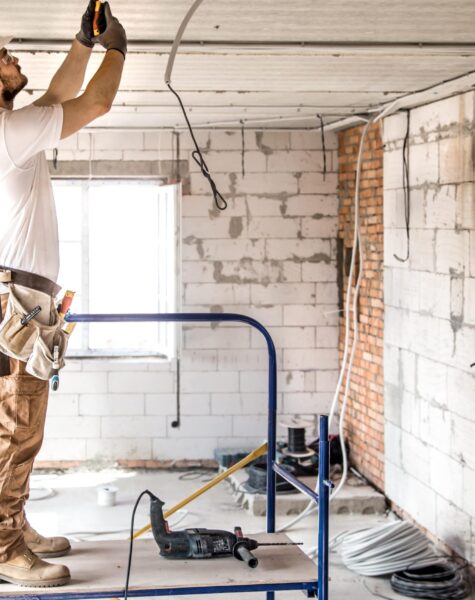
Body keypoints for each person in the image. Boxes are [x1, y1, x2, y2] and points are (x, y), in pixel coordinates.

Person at [0, 1, 126, 587]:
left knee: (21, 424)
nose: (11, 56)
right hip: (14, 302)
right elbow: (94, 102)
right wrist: (117, 49)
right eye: (1, 57)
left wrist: (83, 43)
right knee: (12, 426)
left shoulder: (13, 131)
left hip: (22, 299)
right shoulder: (5, 134)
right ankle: (2, 549)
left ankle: (12, 525)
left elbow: (55, 98)